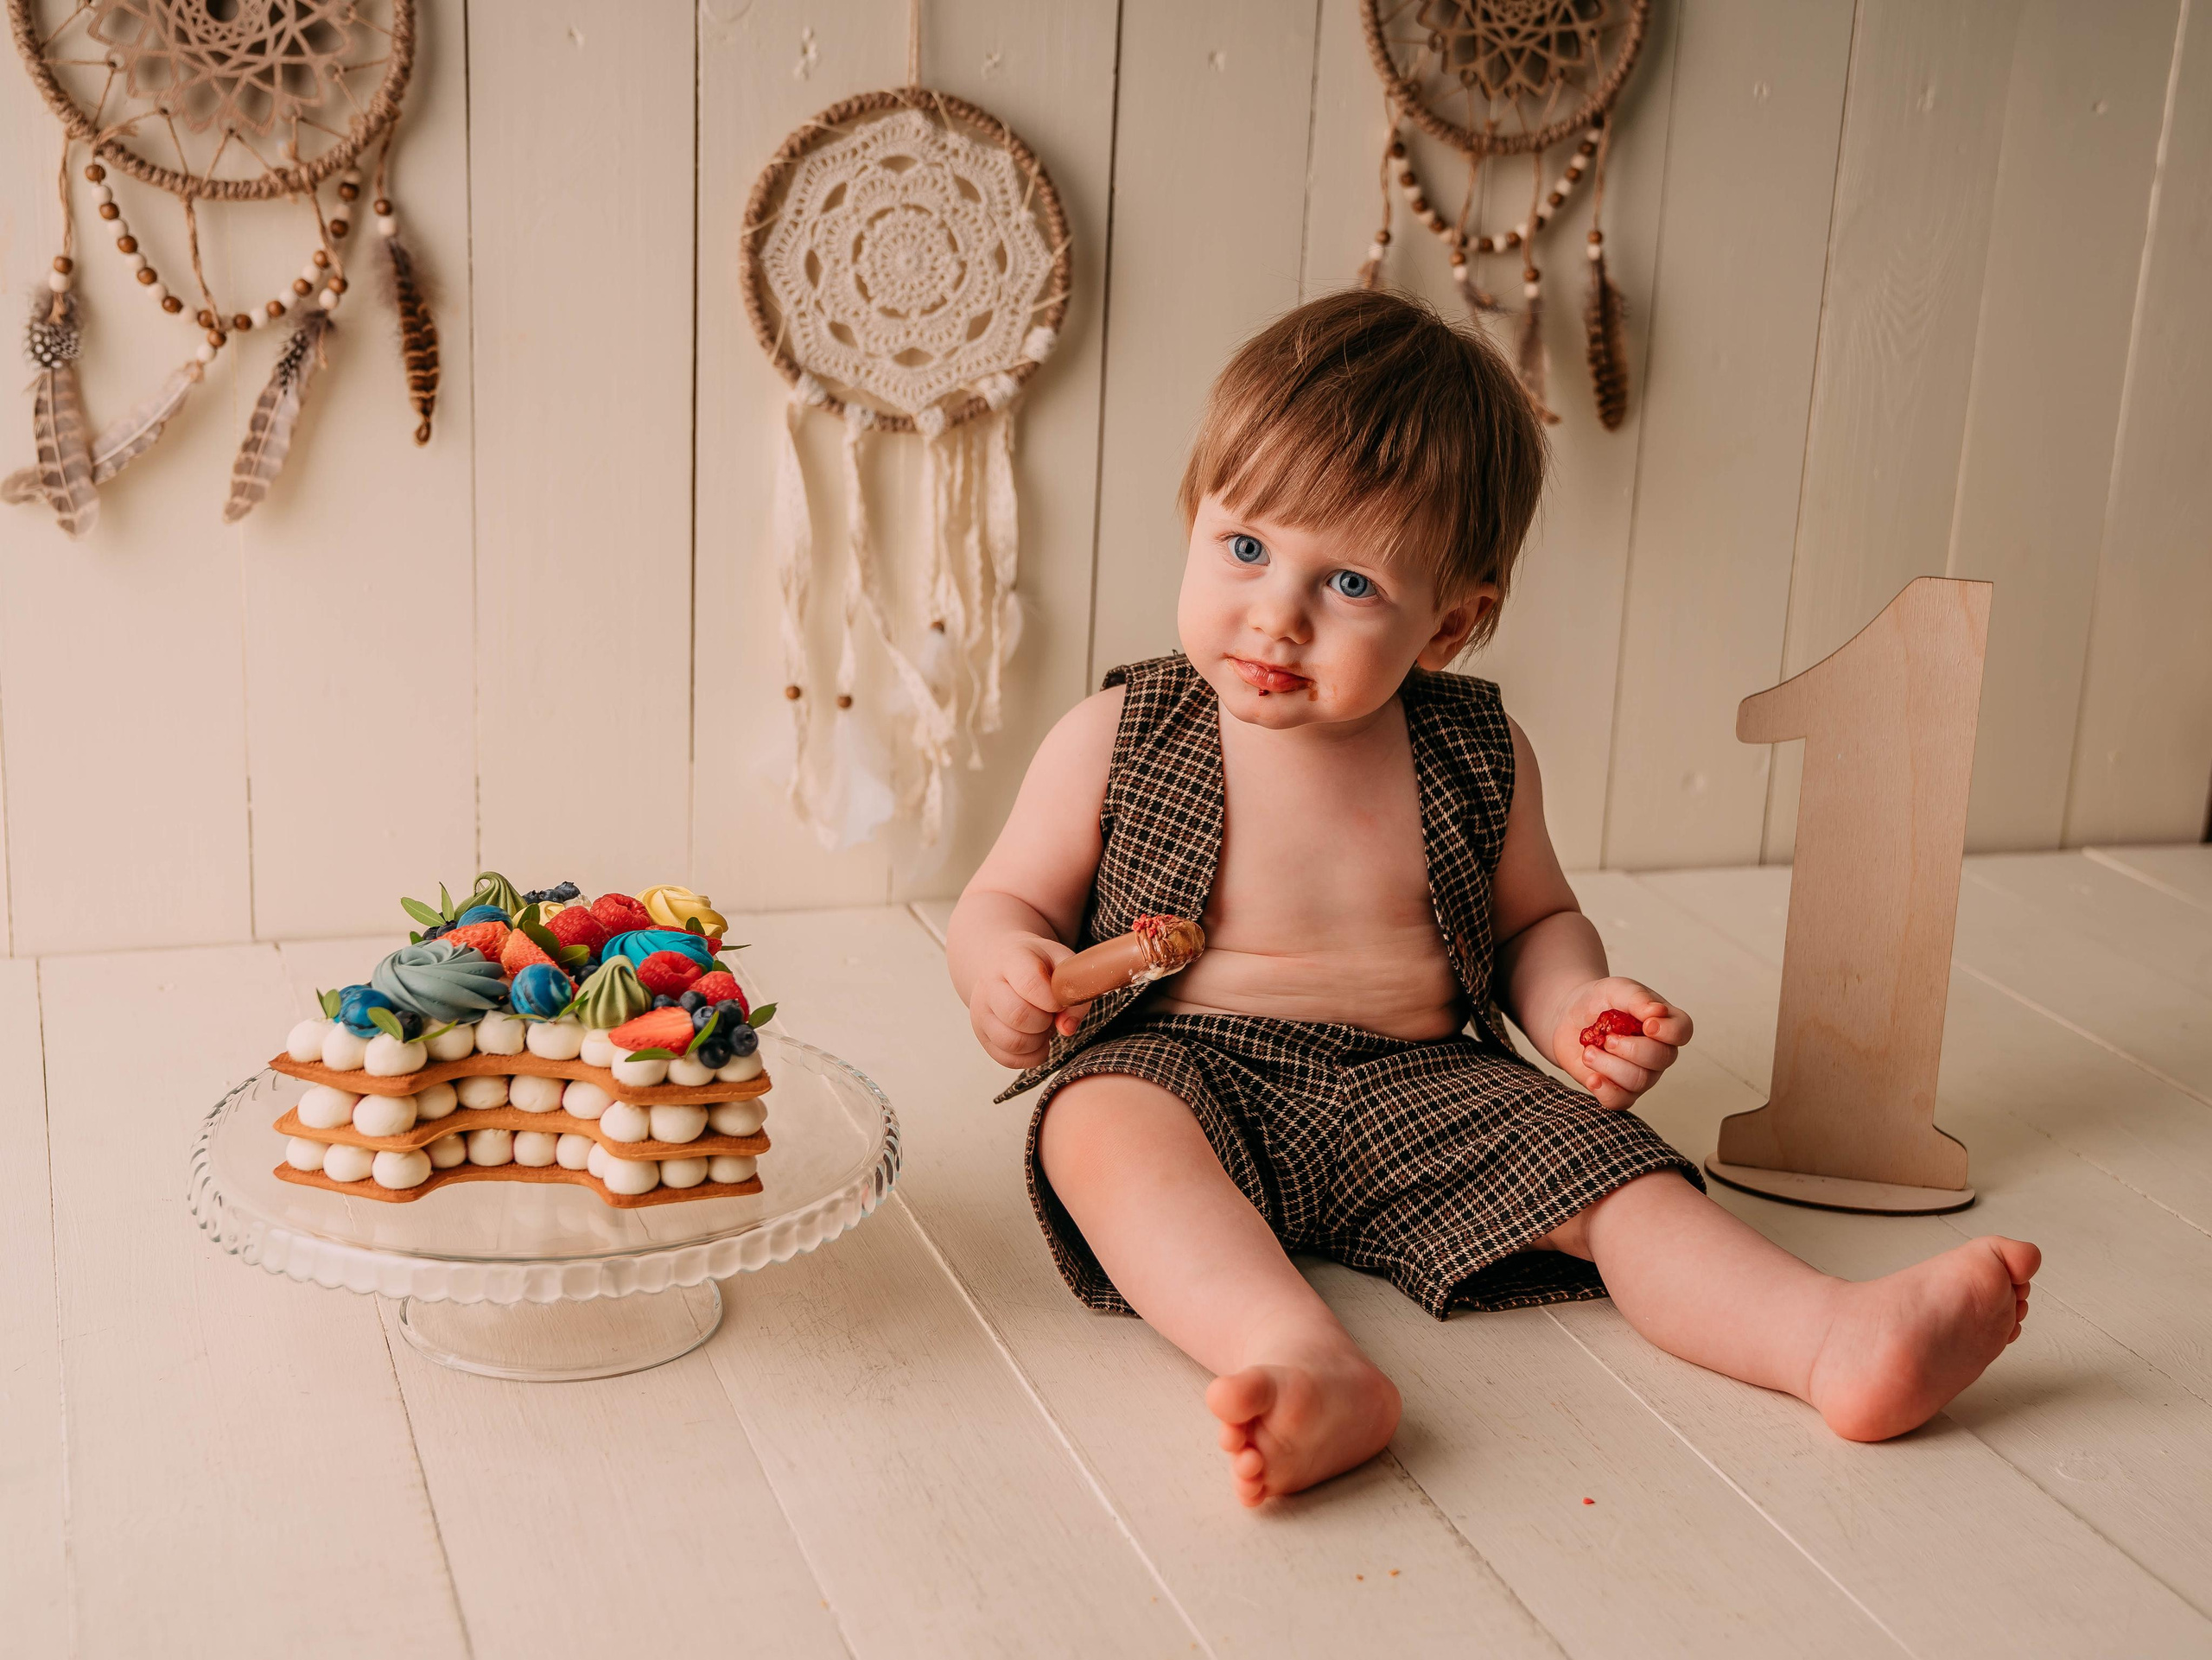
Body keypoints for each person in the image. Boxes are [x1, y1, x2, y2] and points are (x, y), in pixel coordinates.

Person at [944, 289, 2038, 1507]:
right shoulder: (1117, 732)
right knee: (1096, 1125)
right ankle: (1298, 1359)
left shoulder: (1475, 751)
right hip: (1188, 1070)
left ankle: (1826, 1336)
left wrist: (1574, 1009)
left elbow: (1533, 923)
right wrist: (1003, 971)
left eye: (1348, 583)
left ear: (1450, 623)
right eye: (1245, 548)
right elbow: (1005, 901)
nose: (1277, 616)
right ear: (1193, 521)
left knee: (1615, 1173)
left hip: (1423, 1081)